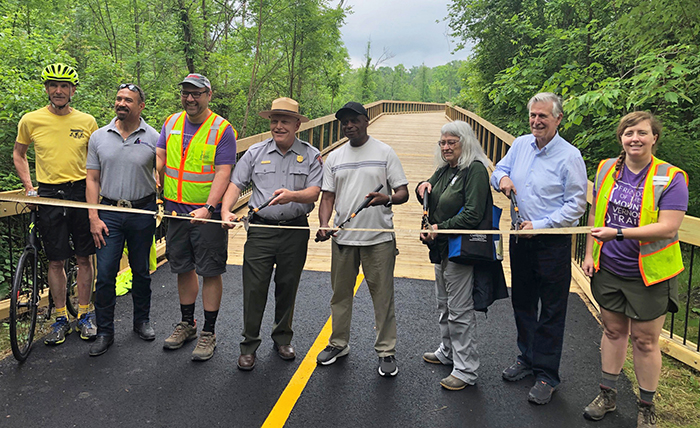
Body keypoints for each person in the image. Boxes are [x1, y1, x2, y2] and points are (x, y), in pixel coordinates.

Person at [581, 112, 688, 428]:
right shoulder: (605, 170)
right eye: (629, 133)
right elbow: (595, 214)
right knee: (613, 331)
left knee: (644, 341)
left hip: (649, 274)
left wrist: (619, 233)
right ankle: (608, 394)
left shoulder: (671, 177)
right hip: (610, 268)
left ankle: (646, 406)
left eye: (642, 132)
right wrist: (590, 253)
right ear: (621, 138)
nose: (635, 139)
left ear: (655, 137)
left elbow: (668, 228)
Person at [490, 92, 587, 404]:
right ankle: (527, 358)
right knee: (523, 301)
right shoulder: (520, 145)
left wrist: (541, 225)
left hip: (551, 242)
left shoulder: (570, 156)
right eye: (533, 115)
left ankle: (547, 374)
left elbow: (576, 205)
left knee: (553, 309)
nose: (536, 121)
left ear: (558, 119)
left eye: (543, 116)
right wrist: (502, 180)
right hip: (520, 238)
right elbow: (496, 171)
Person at [221, 97, 322, 371]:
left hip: (295, 229)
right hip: (261, 229)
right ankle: (249, 344)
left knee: (288, 286)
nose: (278, 126)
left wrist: (293, 195)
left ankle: (282, 338)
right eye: (274, 121)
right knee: (254, 289)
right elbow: (235, 183)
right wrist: (225, 211)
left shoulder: (311, 154)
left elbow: (315, 191)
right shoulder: (255, 152)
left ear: (297, 124)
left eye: (285, 121)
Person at [315, 101, 409, 377]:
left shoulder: (384, 152)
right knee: (339, 295)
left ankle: (386, 351)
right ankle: (338, 344)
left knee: (383, 298)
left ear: (366, 121)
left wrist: (386, 198)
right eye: (344, 122)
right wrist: (324, 224)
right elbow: (328, 196)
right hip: (343, 238)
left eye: (354, 120)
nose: (349, 126)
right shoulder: (334, 158)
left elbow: (402, 192)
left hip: (379, 239)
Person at [415, 120, 506, 390]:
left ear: (464, 143)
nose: (445, 147)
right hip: (441, 247)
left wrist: (439, 228)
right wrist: (421, 186)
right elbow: (427, 187)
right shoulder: (445, 170)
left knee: (459, 310)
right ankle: (448, 351)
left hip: (461, 250)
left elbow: (474, 213)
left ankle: (466, 370)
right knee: (443, 304)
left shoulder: (475, 170)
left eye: (451, 142)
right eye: (442, 142)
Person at [13, 63, 98, 345]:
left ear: (73, 90)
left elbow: (96, 163)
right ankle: (60, 317)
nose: (58, 91)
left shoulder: (87, 121)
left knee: (85, 257)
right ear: (47, 89)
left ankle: (85, 314)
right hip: (49, 193)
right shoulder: (31, 120)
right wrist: (29, 188)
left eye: (64, 86)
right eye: (53, 85)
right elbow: (19, 154)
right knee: (56, 259)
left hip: (80, 192)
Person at [155, 73, 237, 361]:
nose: (190, 98)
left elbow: (224, 171)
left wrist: (210, 207)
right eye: (186, 93)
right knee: (182, 266)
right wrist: (154, 174)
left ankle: (209, 332)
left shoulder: (222, 129)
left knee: (210, 269)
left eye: (196, 93)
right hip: (175, 210)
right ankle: (187, 323)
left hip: (206, 213)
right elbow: (161, 155)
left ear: (208, 95)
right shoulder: (171, 122)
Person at [85, 83, 160, 356]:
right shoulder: (98, 137)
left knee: (141, 271)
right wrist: (93, 216)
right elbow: (92, 179)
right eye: (119, 98)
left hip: (142, 211)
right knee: (105, 275)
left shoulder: (154, 137)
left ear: (141, 106)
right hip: (108, 214)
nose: (122, 103)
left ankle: (142, 321)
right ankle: (105, 331)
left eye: (129, 100)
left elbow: (163, 173)